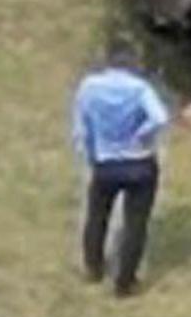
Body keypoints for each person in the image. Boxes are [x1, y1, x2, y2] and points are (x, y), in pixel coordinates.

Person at [71, 44, 171, 295]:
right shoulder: (139, 88)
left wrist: (92, 154)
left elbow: (81, 128)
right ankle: (125, 281)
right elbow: (160, 118)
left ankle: (93, 267)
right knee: (135, 222)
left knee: (97, 215)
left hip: (105, 161)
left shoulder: (89, 87)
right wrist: (142, 134)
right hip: (139, 162)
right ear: (133, 62)